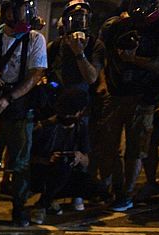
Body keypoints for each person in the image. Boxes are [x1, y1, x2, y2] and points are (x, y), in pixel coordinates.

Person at [0, 0, 48, 226]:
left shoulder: (35, 39)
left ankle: (19, 209)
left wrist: (9, 98)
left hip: (20, 112)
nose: (27, 15)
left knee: (20, 163)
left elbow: (35, 75)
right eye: (22, 10)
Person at [98, 0, 159, 211]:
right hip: (116, 93)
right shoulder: (115, 25)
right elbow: (103, 56)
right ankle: (117, 190)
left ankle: (126, 195)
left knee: (135, 149)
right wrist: (103, 82)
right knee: (110, 148)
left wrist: (133, 59)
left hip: (143, 96)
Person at [46, 0, 105, 211]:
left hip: (83, 110)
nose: (79, 21)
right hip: (58, 109)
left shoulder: (94, 45)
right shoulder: (55, 46)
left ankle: (78, 193)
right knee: (55, 152)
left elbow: (91, 77)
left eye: (83, 17)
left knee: (81, 152)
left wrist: (79, 52)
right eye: (74, 17)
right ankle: (52, 193)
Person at [30, 88, 94, 224]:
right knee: (61, 167)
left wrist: (79, 157)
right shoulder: (45, 127)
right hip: (42, 173)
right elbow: (27, 159)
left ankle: (51, 200)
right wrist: (48, 160)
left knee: (95, 186)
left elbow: (87, 161)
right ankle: (42, 204)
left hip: (67, 173)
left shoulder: (80, 127)